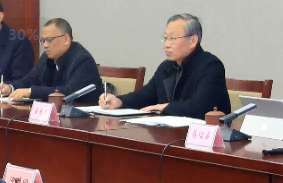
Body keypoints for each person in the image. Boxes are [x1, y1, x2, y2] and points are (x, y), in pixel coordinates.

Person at [99, 13, 231, 118]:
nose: (166, 44)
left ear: (192, 40)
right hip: (169, 134)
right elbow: (145, 95)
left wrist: (165, 107)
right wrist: (119, 101)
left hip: (202, 138)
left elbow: (199, 107)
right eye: (165, 38)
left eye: (172, 39)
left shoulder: (211, 66)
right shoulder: (166, 67)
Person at [0, 18, 100, 104]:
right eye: (43, 41)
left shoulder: (83, 60)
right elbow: (28, 81)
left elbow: (68, 92)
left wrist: (31, 91)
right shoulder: (46, 57)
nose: (45, 45)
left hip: (85, 117)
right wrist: (10, 88)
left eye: (49, 40)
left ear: (66, 39)